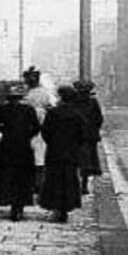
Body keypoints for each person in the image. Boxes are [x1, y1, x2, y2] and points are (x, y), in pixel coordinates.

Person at [0, 84, 41, 221]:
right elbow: (36, 127)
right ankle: (19, 205)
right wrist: (27, 135)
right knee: (23, 177)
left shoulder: (2, 109)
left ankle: (9, 201)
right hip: (23, 148)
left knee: (7, 175)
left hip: (6, 147)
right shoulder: (28, 110)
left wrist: (1, 133)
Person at [39, 84, 87, 222]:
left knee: (54, 180)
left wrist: (53, 143)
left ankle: (56, 208)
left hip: (55, 151)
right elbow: (83, 135)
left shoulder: (53, 113)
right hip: (71, 153)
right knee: (69, 180)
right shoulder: (77, 114)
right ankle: (66, 207)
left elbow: (45, 132)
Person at [22, 66, 55, 195]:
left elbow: (50, 106)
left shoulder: (43, 93)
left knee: (39, 154)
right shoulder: (25, 92)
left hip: (39, 125)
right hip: (26, 124)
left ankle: (38, 183)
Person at [72, 79, 104, 195]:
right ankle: (83, 186)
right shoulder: (93, 102)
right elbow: (99, 119)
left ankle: (78, 185)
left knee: (75, 161)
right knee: (87, 162)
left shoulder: (73, 102)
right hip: (89, 136)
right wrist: (94, 129)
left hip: (76, 136)